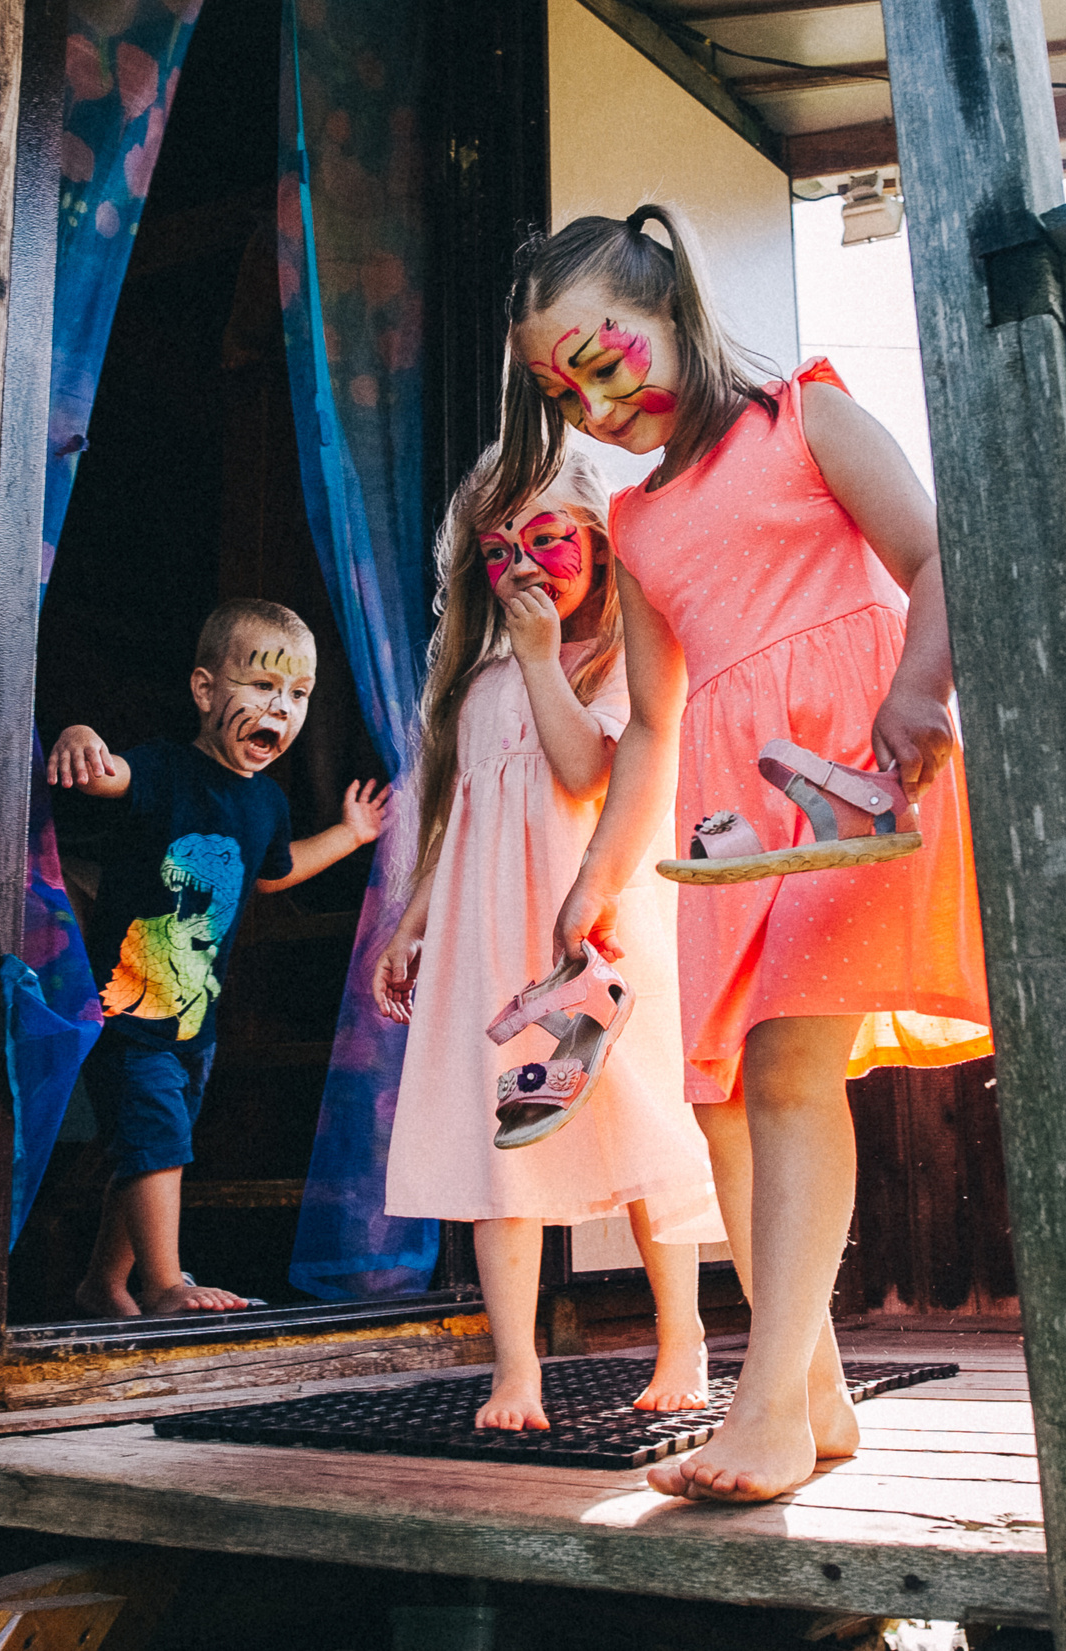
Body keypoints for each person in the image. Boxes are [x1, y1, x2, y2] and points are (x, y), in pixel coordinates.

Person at [510, 206, 993, 1501]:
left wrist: (918, 690)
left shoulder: (805, 416)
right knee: (724, 1092)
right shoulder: (642, 518)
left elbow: (937, 551)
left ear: (673, 309)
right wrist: (594, 887)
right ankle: (818, 1389)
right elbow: (658, 718)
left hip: (852, 774)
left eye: (606, 358)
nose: (596, 403)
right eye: (565, 388)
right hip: (731, 823)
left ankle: (766, 1404)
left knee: (785, 1070)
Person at [374, 444, 720, 1431]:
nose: (523, 566)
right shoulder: (480, 675)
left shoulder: (614, 660)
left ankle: (681, 1335)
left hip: (593, 934)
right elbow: (459, 812)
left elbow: (581, 774)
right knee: (503, 1148)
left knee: (644, 1126)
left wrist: (539, 659)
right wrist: (413, 921)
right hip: (493, 942)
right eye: (500, 551)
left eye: (546, 539)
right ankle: (516, 1369)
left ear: (599, 545)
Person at [48, 598, 388, 1316]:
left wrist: (351, 835)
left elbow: (275, 869)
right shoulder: (167, 770)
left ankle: (103, 1282)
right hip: (130, 1010)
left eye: (298, 695)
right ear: (206, 691)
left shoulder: (264, 800)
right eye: (264, 687)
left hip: (194, 1025)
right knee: (157, 1141)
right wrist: (80, 737)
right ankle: (164, 1282)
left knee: (147, 1149)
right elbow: (109, 776)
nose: (283, 708)